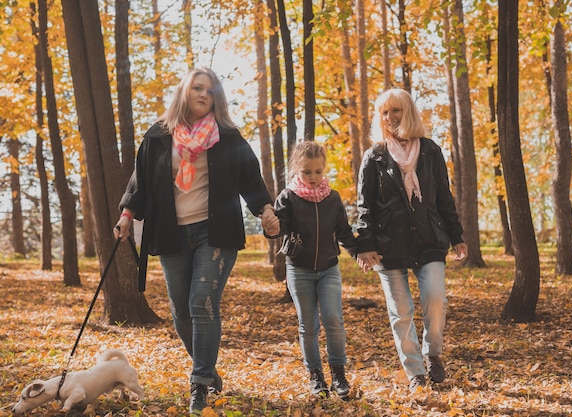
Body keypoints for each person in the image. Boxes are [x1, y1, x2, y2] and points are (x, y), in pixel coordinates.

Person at [113, 67, 279, 414]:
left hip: (215, 232)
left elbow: (250, 177)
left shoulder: (228, 136)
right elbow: (139, 181)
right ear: (185, 93)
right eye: (198, 88)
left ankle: (199, 384)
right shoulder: (159, 136)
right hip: (171, 232)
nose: (204, 95)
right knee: (181, 313)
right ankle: (209, 372)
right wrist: (127, 216)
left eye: (211, 90)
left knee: (202, 303)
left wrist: (265, 209)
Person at [355, 88, 468, 392]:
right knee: (401, 311)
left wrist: (456, 236)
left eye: (396, 111)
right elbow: (364, 205)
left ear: (409, 113)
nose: (390, 118)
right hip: (387, 244)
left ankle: (433, 354)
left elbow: (444, 198)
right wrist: (364, 244)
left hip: (429, 239)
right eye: (384, 113)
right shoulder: (374, 157)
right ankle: (415, 371)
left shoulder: (430, 151)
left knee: (435, 299)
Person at [267, 141, 357, 399]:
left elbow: (343, 232)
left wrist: (359, 251)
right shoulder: (288, 197)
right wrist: (271, 226)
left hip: (329, 268)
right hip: (299, 270)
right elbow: (277, 228)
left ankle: (338, 374)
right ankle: (316, 376)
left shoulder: (333, 198)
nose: (313, 177)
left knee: (334, 321)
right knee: (308, 326)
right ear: (297, 169)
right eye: (307, 172)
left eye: (318, 171)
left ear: (324, 169)